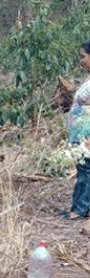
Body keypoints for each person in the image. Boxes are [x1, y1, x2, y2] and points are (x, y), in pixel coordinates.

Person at [65, 41, 90, 220]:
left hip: (86, 134)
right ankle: (78, 207)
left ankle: (80, 210)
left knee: (85, 171)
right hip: (80, 132)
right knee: (83, 170)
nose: (81, 60)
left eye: (83, 56)